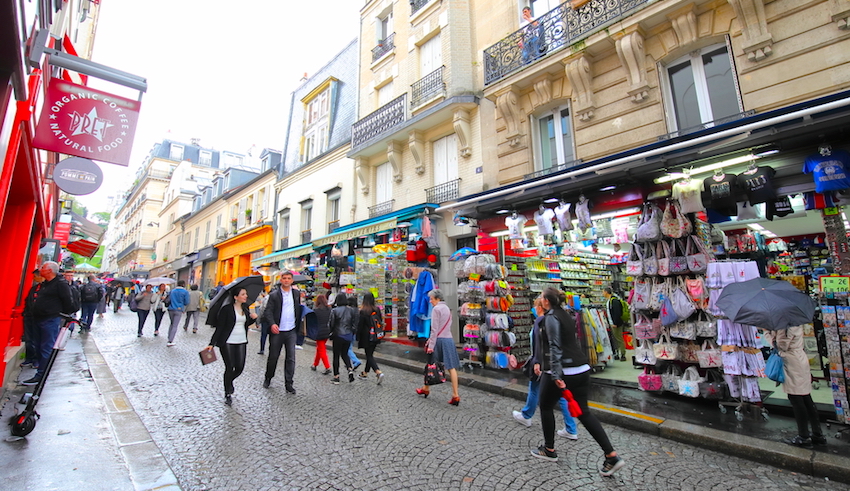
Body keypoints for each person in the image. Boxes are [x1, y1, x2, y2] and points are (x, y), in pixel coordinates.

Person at [532, 287, 624, 477]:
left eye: (541, 297)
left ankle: (549, 449)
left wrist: (557, 375)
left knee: (546, 405)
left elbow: (556, 346)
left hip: (561, 370)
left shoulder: (550, 317)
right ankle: (611, 455)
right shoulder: (566, 314)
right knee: (583, 412)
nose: (540, 300)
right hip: (581, 367)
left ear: (547, 301)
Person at [513, 296, 578, 439]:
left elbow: (541, 344)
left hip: (544, 364)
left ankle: (528, 416)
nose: (534, 309)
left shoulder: (541, 321)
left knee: (537, 390)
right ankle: (571, 428)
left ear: (541, 307)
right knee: (557, 394)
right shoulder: (555, 320)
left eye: (536, 306)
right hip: (552, 363)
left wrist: (537, 362)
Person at [765, 325, 827, 448]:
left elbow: (781, 346)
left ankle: (804, 436)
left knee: (796, 399)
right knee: (805, 397)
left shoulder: (785, 326)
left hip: (792, 363)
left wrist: (767, 332)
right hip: (799, 359)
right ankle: (817, 434)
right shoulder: (795, 322)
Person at [22, 261, 74, 385]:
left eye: (43, 267)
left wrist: (57, 313)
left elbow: (68, 302)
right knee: (39, 346)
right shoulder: (45, 284)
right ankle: (40, 372)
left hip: (50, 319)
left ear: (50, 270)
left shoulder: (60, 284)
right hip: (38, 318)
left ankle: (41, 375)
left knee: (46, 347)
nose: (40, 269)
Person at [205, 287, 258, 406]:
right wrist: (212, 344)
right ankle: (227, 392)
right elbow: (220, 327)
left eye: (246, 294)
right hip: (227, 341)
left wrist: (253, 319)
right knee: (230, 367)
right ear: (235, 297)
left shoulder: (245, 308)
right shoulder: (226, 309)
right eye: (243, 294)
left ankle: (229, 381)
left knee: (239, 367)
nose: (246, 296)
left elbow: (246, 323)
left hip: (241, 340)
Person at [415, 289, 461, 405]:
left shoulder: (436, 309)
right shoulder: (447, 309)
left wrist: (431, 345)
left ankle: (426, 389)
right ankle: (455, 395)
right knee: (452, 368)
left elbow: (434, 330)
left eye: (432, 299)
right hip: (448, 339)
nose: (430, 301)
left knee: (430, 365)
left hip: (438, 341)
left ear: (437, 299)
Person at [262, 272, 303, 393]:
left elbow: (298, 309)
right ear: (281, 280)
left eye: (288, 278)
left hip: (291, 330)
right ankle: (268, 377)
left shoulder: (296, 293)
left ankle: (289, 383)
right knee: (273, 356)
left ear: (292, 280)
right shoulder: (274, 295)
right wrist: (272, 324)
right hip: (278, 331)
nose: (286, 280)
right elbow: (268, 311)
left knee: (291, 358)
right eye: (284, 278)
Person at [327, 293, 357, 385]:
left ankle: (336, 376)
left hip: (338, 335)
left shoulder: (335, 311)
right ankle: (350, 368)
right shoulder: (351, 310)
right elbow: (354, 323)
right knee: (345, 353)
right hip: (348, 335)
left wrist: (330, 332)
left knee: (336, 356)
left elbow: (331, 324)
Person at [356, 292, 385, 384]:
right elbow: (380, 321)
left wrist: (357, 337)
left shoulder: (363, 311)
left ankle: (378, 372)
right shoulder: (377, 309)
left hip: (366, 336)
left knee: (369, 355)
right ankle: (365, 373)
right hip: (376, 335)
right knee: (370, 354)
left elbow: (360, 326)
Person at [20, 269, 45, 369]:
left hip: (39, 317)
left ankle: (36, 359)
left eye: (36, 276)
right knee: (28, 339)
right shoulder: (34, 288)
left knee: (37, 339)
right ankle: (29, 358)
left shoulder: (46, 289)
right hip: (29, 316)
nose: (34, 278)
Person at [309, 294, 332, 374]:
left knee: (322, 350)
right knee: (319, 348)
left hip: (319, 332)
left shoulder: (316, 311)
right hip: (327, 331)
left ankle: (327, 367)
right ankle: (315, 364)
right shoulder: (329, 309)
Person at [603, 286, 627, 361]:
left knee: (619, 339)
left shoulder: (614, 301)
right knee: (615, 339)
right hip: (612, 323)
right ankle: (617, 353)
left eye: (603, 291)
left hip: (616, 323)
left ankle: (623, 354)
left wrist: (615, 323)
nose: (603, 293)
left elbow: (617, 313)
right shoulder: (609, 301)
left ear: (606, 292)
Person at [165, 280, 190, 347]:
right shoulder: (185, 292)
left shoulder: (172, 291)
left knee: (172, 323)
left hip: (171, 309)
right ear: (183, 284)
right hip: (178, 309)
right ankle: (170, 340)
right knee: (175, 325)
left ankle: (169, 337)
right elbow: (187, 302)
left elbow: (168, 300)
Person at [255, 290, 269, 355]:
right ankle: (272, 350)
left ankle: (262, 349)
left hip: (265, 319)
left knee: (263, 335)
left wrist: (258, 321)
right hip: (274, 320)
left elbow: (261, 310)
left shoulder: (266, 298)